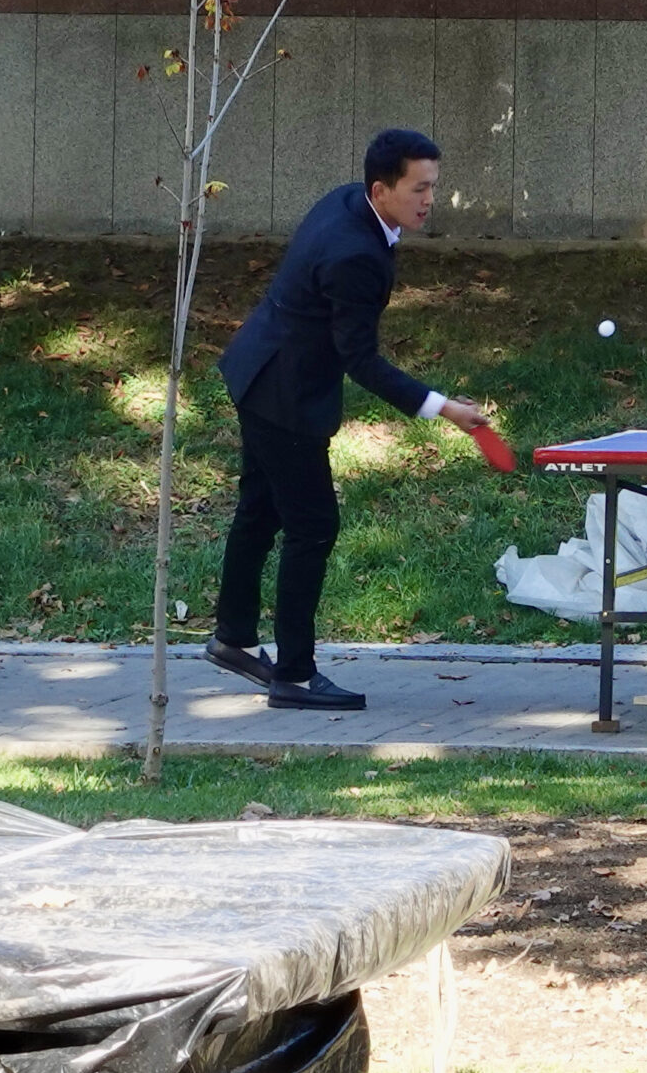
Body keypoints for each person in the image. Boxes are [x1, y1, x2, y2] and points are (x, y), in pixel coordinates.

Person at [206, 128, 494, 711]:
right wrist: (445, 409)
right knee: (311, 527)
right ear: (381, 189)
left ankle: (234, 639)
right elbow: (359, 360)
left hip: (259, 369)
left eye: (433, 187)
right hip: (285, 394)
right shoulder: (356, 255)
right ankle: (294, 675)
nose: (429, 199)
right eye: (420, 188)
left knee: (260, 510)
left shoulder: (349, 203)